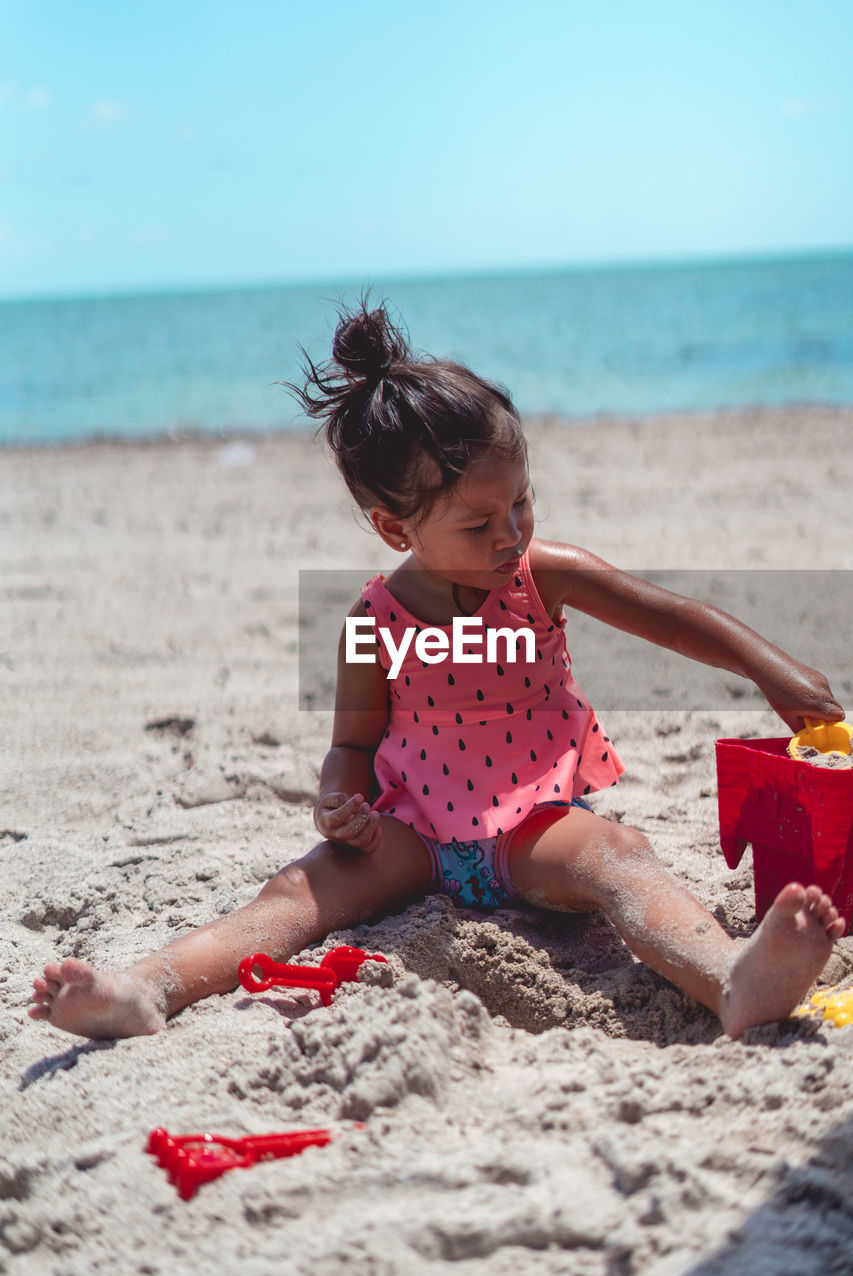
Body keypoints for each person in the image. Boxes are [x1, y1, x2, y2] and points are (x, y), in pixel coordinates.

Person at [29, 303, 847, 1042]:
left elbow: (669, 616)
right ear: (394, 531)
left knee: (618, 857)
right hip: (412, 834)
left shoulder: (542, 575)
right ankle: (148, 989)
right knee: (291, 897)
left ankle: (731, 979)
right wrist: (337, 804)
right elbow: (352, 743)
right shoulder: (372, 623)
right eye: (479, 521)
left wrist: (771, 670)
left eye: (521, 503)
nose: (510, 533)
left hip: (534, 825)